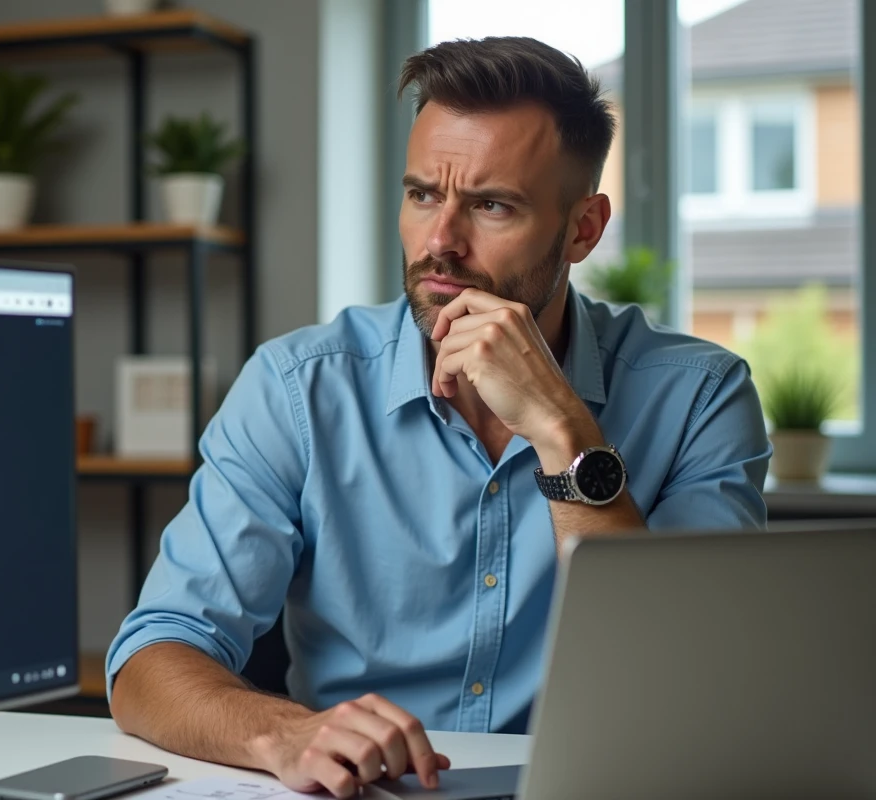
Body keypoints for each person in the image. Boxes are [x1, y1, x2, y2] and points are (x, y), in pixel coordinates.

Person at [105, 35, 772, 799]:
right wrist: (287, 734)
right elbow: (152, 658)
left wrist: (564, 433)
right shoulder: (298, 389)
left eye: (492, 205)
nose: (440, 243)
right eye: (423, 194)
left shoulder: (699, 396)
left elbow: (687, 690)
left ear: (582, 229)